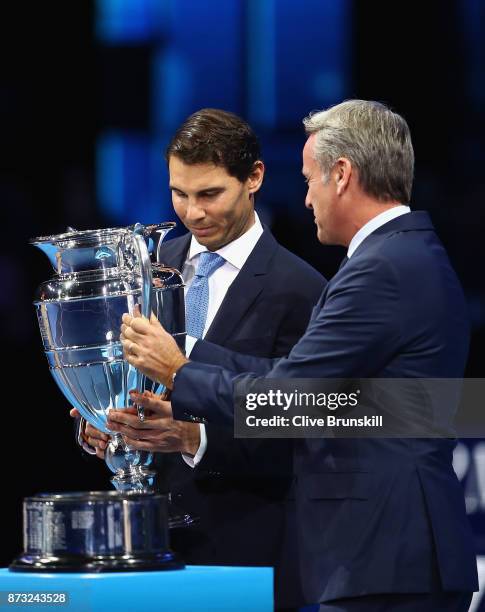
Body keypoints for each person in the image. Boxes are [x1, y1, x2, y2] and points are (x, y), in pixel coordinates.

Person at [119, 100, 478, 611]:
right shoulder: (403, 257)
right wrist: (190, 357)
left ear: (342, 175)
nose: (305, 199)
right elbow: (312, 391)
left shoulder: (382, 270)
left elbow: (289, 396)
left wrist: (179, 370)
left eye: (309, 180)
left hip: (386, 557)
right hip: (387, 557)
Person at [75, 108, 326, 609]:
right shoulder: (149, 270)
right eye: (179, 194)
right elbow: (121, 373)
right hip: (145, 546)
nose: (192, 213)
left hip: (246, 554)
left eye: (209, 194)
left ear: (253, 177)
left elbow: (306, 430)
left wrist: (197, 439)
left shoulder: (302, 289)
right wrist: (97, 419)